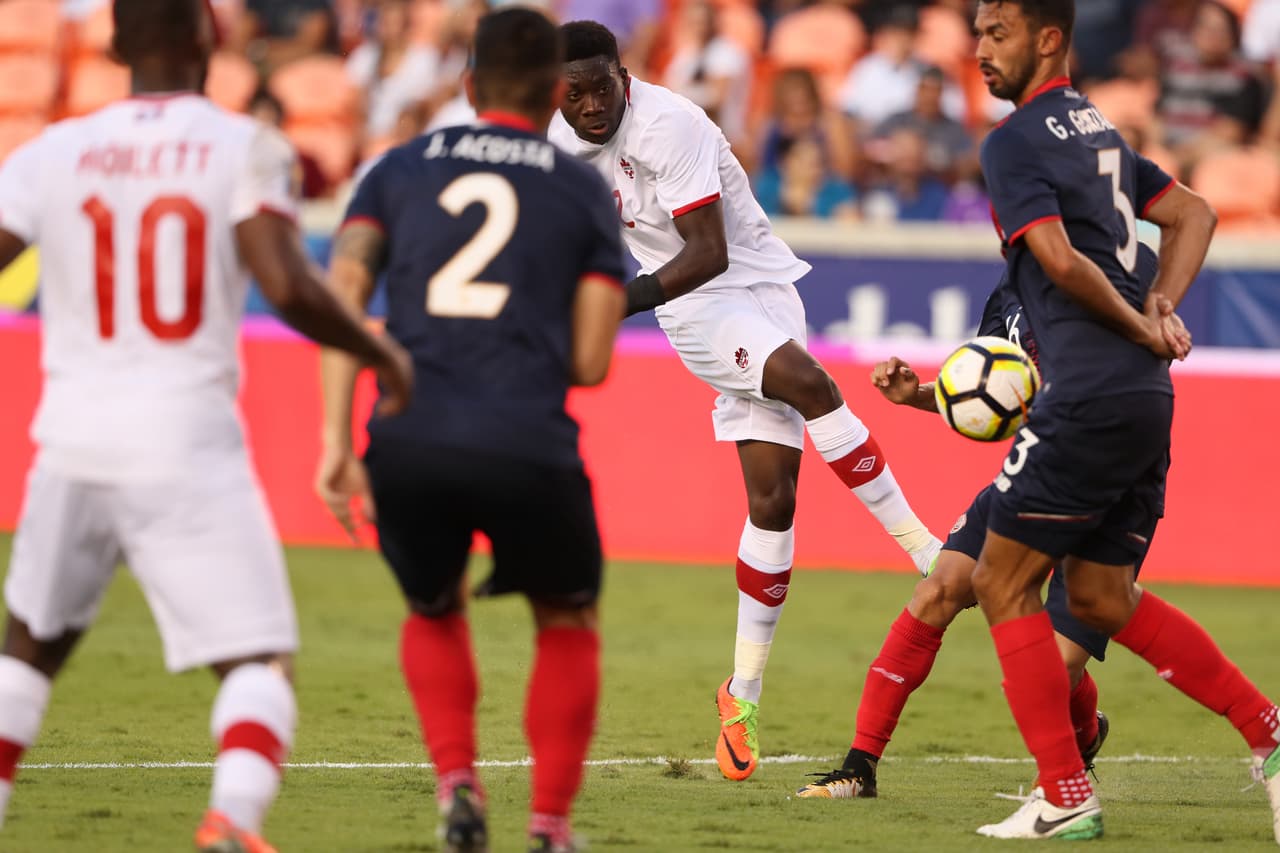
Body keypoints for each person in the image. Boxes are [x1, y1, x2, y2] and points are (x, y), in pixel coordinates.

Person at [0, 1, 412, 851]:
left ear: (113, 44)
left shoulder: (51, 151)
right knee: (258, 661)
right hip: (184, 436)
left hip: (70, 436)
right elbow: (289, 287)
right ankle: (234, 819)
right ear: (211, 39)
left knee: (26, 655)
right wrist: (380, 357)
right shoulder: (241, 145)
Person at [549, 20, 943, 783]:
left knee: (773, 500)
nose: (594, 104)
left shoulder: (670, 124)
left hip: (749, 286)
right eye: (575, 93)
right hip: (695, 312)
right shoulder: (562, 153)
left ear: (624, 75)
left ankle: (742, 693)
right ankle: (927, 551)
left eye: (603, 86)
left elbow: (709, 250)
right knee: (814, 384)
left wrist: (605, 304)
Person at [314, 9, 626, 853]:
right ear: (555, 94)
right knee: (567, 616)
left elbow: (343, 300)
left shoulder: (396, 169)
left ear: (466, 86)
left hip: (408, 436)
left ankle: (457, 782)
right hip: (527, 435)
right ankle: (551, 828)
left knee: (433, 604)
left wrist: (336, 441)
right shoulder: (580, 189)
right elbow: (593, 360)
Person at [968, 0, 1279, 840]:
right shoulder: (1096, 130)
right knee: (1101, 594)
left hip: (1090, 390)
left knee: (999, 581)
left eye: (995, 34)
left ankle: (1065, 791)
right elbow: (1195, 214)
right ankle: (1271, 736)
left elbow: (1060, 261)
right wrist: (1160, 305)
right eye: (975, 36)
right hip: (1145, 395)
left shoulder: (1014, 141)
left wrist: (1145, 318)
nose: (979, 52)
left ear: (1047, 37)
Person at [795, 244, 1163, 800]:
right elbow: (984, 400)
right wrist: (917, 394)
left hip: (1109, 481)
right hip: (1035, 472)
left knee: (1052, 665)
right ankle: (859, 766)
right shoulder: (1012, 287)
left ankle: (1076, 761)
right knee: (937, 590)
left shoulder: (1104, 273)